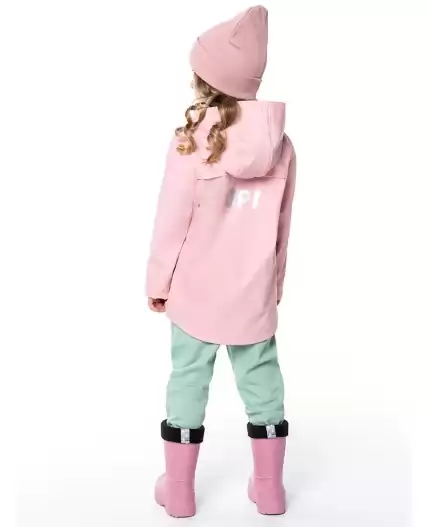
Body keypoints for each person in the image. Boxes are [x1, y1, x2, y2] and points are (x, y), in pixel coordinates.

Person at [146, 5, 296, 518]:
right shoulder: (282, 147)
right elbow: (281, 229)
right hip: (252, 295)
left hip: (196, 293)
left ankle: (180, 491)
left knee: (188, 379)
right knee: (263, 384)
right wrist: (274, 288)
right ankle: (270, 490)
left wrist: (158, 282)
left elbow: (171, 222)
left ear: (204, 80)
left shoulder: (189, 141)